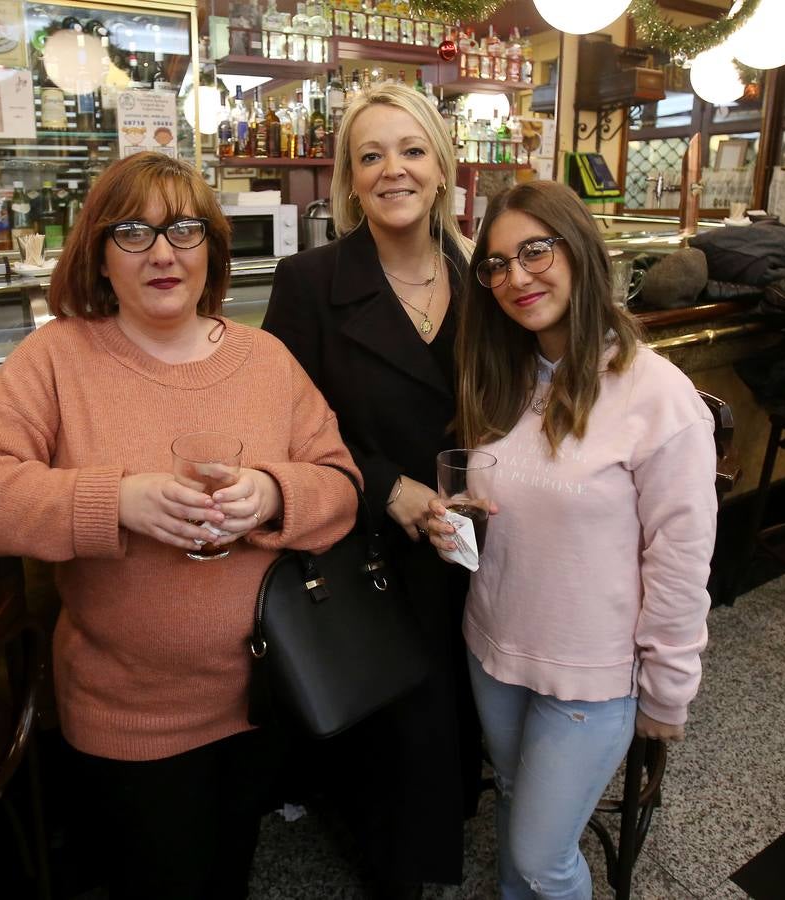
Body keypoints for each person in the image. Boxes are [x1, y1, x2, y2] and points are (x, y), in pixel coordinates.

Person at [0, 152, 358, 900]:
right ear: (99, 254)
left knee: (229, 872)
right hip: (128, 713)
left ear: (212, 249)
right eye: (133, 232)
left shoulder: (267, 359)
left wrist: (272, 496)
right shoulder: (57, 357)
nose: (163, 252)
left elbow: (342, 487)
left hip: (265, 693)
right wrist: (116, 502)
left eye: (185, 230)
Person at [439, 179, 717, 900]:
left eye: (536, 250)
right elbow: (522, 496)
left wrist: (668, 692)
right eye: (496, 264)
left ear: (580, 251)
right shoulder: (506, 374)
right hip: (493, 647)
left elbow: (681, 561)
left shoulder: (657, 395)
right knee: (510, 807)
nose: (516, 277)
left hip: (591, 675)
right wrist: (466, 519)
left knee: (539, 855)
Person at [261, 81, 479, 898]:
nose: (395, 170)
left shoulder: (477, 276)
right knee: (396, 733)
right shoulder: (309, 281)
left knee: (444, 723)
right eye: (371, 155)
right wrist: (386, 487)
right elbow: (284, 422)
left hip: (462, 538)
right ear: (350, 181)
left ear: (442, 167)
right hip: (365, 548)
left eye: (412, 150)